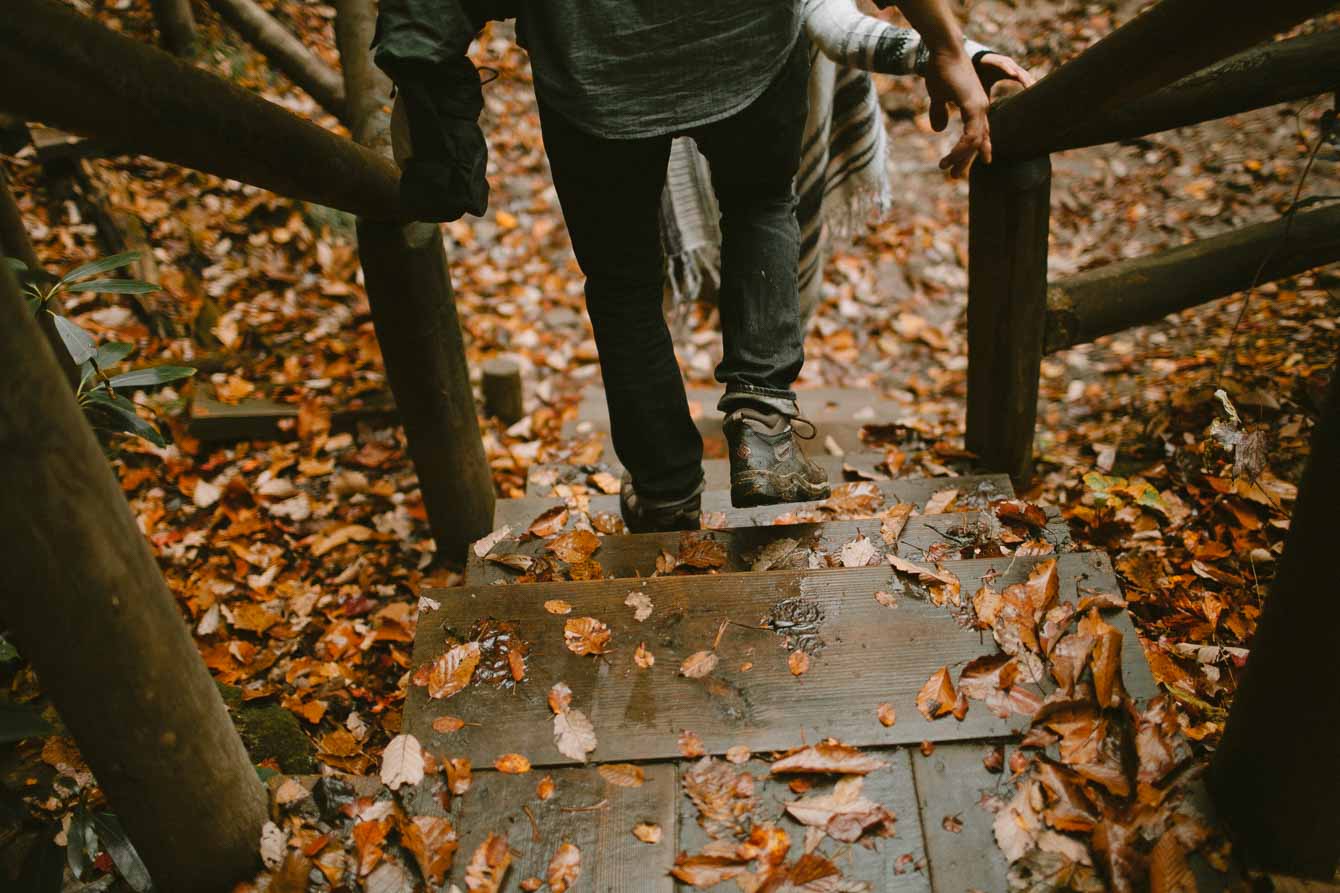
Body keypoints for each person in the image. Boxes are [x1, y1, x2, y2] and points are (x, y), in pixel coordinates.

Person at [372, 0, 1003, 532]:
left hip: (594, 63)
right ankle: (763, 428)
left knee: (621, 280)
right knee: (758, 205)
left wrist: (419, 62)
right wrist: (944, 45)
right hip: (746, 44)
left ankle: (665, 488)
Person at [661, 0, 1033, 323]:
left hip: (640, 130)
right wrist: (952, 52)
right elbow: (836, 25)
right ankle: (762, 395)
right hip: (697, 141)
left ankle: (759, 394)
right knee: (764, 233)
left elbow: (835, 22)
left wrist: (959, 53)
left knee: (632, 303)